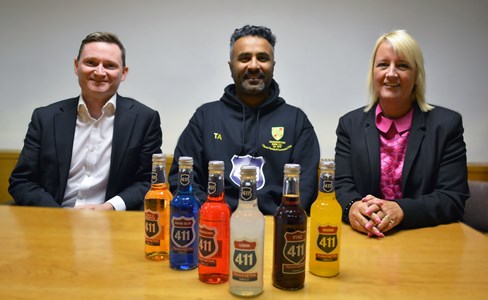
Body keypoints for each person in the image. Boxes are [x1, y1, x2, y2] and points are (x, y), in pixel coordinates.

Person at [169, 25, 320, 215]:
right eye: (244, 58)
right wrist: (214, 216)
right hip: (215, 227)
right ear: (231, 66)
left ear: (273, 65)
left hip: (274, 229)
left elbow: (305, 190)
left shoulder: (297, 121)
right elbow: (181, 179)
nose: (254, 66)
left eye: (262, 58)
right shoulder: (205, 117)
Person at [335, 30, 469, 237]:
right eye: (382, 64)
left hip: (424, 239)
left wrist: (402, 209)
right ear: (373, 72)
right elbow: (342, 186)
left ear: (416, 76)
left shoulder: (446, 125)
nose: (391, 73)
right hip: (364, 238)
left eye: (403, 65)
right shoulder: (349, 124)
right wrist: (352, 207)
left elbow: (452, 198)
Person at [9, 32, 162, 210]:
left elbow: (148, 181)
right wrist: (59, 216)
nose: (99, 72)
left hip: (113, 223)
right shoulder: (45, 118)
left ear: (123, 73)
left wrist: (111, 207)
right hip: (53, 220)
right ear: (76, 66)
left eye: (110, 65)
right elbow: (22, 181)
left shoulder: (145, 119)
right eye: (91, 62)